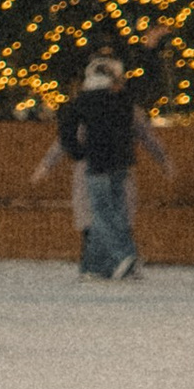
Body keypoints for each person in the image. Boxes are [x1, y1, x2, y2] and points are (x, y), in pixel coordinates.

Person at [47, 57, 142, 280]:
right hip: (122, 163)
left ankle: (124, 255)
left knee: (100, 214)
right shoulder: (123, 100)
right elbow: (133, 130)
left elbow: (66, 133)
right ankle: (92, 267)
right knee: (116, 212)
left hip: (97, 164)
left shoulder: (83, 101)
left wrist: (80, 153)